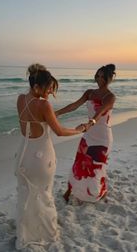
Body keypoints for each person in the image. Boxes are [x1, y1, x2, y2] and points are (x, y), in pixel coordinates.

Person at [14, 63, 89, 249]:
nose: (49, 94)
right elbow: (60, 132)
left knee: (28, 195)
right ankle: (45, 232)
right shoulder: (43, 104)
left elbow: (34, 120)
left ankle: (26, 232)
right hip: (40, 159)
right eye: (48, 89)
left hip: (23, 156)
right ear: (37, 87)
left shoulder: (20, 99)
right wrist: (79, 129)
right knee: (44, 194)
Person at [56, 64, 116, 203]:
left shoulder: (110, 97)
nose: (99, 79)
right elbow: (74, 105)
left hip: (102, 137)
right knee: (79, 162)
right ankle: (70, 190)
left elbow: (99, 113)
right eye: (98, 75)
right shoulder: (89, 92)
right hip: (89, 134)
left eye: (102, 76)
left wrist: (89, 124)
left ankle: (98, 192)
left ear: (109, 79)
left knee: (96, 167)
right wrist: (57, 113)